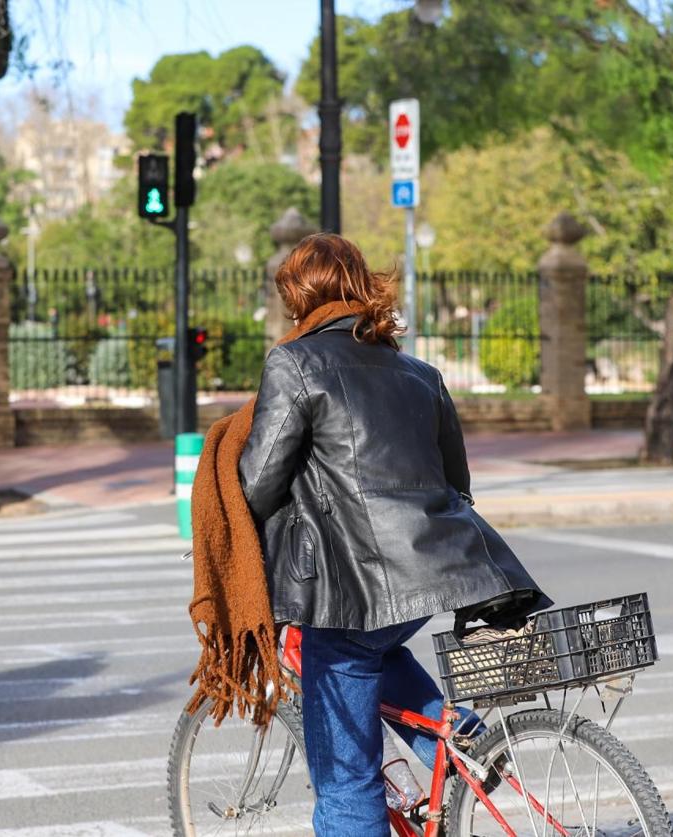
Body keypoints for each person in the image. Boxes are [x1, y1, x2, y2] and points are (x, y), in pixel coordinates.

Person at [188, 233, 549, 836]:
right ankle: (460, 746)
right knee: (382, 647)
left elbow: (259, 481)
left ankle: (445, 758)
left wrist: (225, 537)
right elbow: (455, 482)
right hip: (443, 572)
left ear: (301, 297)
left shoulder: (295, 363)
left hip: (357, 589)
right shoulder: (420, 373)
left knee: (346, 779)